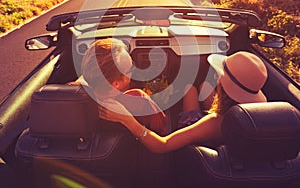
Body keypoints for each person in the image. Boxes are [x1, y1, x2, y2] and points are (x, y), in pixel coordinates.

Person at [98, 51, 268, 153]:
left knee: (189, 90)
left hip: (201, 142)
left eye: (220, 76)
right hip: (223, 143)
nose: (217, 79)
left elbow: (162, 146)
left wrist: (128, 120)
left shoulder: (214, 123)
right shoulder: (261, 114)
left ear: (223, 85)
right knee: (202, 87)